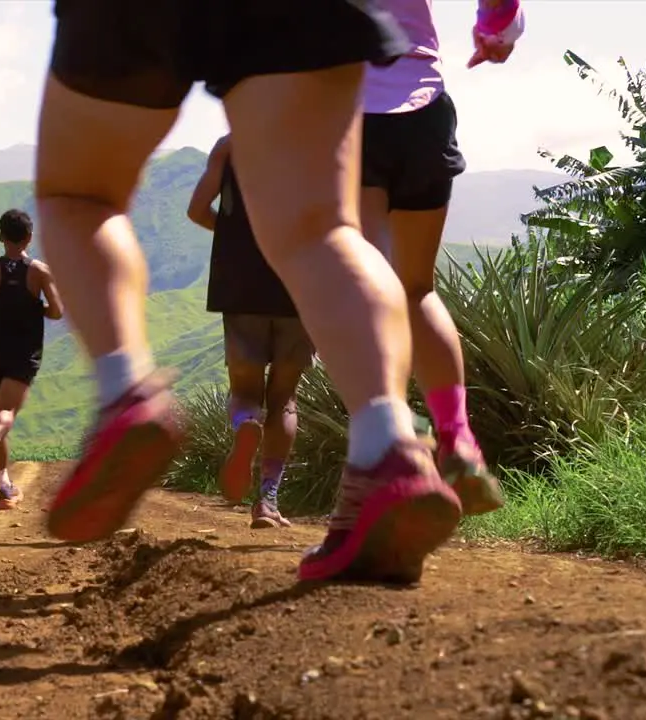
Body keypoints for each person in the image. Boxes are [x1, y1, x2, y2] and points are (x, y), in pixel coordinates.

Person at [36, 0, 466, 584]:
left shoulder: (218, 156)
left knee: (83, 197)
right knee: (323, 231)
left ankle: (125, 391)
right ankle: (388, 449)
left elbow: (197, 207)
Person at [355, 0, 524, 517]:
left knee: (360, 287)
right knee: (416, 288)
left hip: (349, 105)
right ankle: (458, 437)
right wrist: (497, 30)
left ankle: (401, 450)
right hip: (425, 107)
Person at [187, 134, 316, 529]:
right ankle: (268, 500)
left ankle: (245, 425)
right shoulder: (320, 141)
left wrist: (235, 239)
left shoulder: (230, 146)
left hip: (241, 285)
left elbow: (196, 210)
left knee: (246, 390)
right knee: (284, 399)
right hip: (299, 283)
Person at [0, 209, 64, 510]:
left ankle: (4, 488)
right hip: (23, 351)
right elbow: (57, 311)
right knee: (4, 417)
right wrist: (36, 309)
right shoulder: (40, 271)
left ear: (0, 237)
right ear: (29, 237)